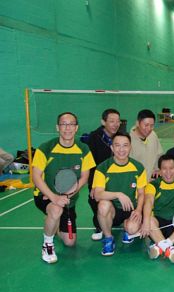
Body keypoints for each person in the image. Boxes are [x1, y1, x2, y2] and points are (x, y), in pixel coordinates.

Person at [32, 112, 96, 263]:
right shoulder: (45, 148)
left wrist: (67, 196)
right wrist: (54, 197)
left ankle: (52, 223)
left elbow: (84, 177)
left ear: (76, 128)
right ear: (57, 127)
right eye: (63, 124)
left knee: (69, 242)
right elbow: (36, 177)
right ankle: (47, 244)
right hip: (45, 194)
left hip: (69, 199)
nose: (67, 128)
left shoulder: (83, 149)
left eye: (71, 124)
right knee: (55, 209)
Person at [93, 132, 149, 256]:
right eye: (117, 145)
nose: (121, 149)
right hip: (113, 209)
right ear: (112, 147)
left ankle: (127, 227)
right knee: (103, 205)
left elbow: (141, 193)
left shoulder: (138, 167)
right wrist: (118, 194)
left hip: (132, 208)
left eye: (125, 145)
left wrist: (139, 210)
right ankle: (108, 238)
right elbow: (98, 194)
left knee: (133, 229)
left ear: (130, 147)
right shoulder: (103, 168)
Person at [86, 108, 121, 241]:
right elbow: (90, 165)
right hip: (98, 178)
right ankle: (99, 226)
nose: (115, 124)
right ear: (103, 122)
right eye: (111, 121)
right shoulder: (94, 138)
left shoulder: (121, 136)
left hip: (116, 178)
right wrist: (94, 185)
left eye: (118, 121)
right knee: (96, 200)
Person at [130, 109, 163, 180]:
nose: (149, 129)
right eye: (146, 125)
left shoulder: (153, 135)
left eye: (152, 125)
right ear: (137, 123)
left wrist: (158, 168)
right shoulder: (128, 140)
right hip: (135, 184)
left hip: (151, 184)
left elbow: (159, 154)